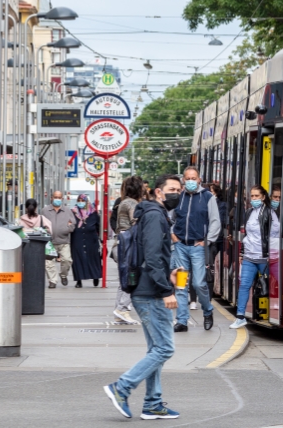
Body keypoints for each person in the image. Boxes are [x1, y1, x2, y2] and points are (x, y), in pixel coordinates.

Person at [104, 174, 182, 420]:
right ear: (158, 192)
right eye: (172, 189)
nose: (176, 194)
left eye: (178, 189)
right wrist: (166, 291)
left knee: (155, 349)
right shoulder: (155, 216)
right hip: (150, 293)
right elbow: (151, 255)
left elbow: (152, 254)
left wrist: (167, 275)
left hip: (147, 288)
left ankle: (152, 403)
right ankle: (122, 387)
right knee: (164, 348)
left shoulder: (150, 214)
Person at [171, 167, 219, 332]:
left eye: (194, 178)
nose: (191, 181)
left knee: (199, 284)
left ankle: (208, 311)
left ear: (199, 180)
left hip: (197, 247)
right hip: (181, 247)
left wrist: (208, 241)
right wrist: (173, 236)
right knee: (181, 284)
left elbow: (215, 221)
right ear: (183, 180)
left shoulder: (207, 197)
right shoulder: (179, 197)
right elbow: (170, 217)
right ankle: (182, 321)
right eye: (188, 178)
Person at [230, 185, 280, 329]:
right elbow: (247, 235)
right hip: (249, 256)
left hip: (265, 258)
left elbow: (274, 235)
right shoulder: (249, 212)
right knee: (244, 285)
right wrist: (242, 253)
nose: (254, 199)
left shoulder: (270, 213)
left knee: (277, 284)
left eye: (257, 196)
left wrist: (271, 253)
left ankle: (280, 313)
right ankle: (240, 317)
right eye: (252, 196)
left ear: (263, 197)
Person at [114, 177, 144, 325]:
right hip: (128, 245)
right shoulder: (132, 203)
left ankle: (119, 313)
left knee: (124, 278)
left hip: (121, 243)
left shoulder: (123, 202)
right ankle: (122, 308)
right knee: (131, 277)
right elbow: (136, 221)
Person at [41, 190, 76, 288]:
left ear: (62, 199)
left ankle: (63, 275)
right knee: (48, 262)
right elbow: (41, 224)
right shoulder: (45, 210)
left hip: (64, 240)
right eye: (55, 197)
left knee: (67, 260)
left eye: (59, 197)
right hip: (50, 242)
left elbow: (73, 224)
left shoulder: (67, 211)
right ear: (51, 198)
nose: (57, 199)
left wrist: (67, 229)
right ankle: (53, 281)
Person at [71, 194, 101, 288]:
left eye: (82, 200)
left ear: (86, 201)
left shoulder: (93, 213)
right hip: (77, 239)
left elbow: (99, 226)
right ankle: (79, 280)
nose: (80, 202)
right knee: (77, 259)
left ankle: (95, 276)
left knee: (93, 258)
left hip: (91, 240)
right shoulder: (73, 212)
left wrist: (102, 240)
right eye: (79, 200)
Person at [206, 184, 228, 297]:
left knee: (214, 263)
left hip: (218, 238)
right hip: (213, 239)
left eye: (211, 191)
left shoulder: (222, 205)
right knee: (211, 265)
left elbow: (221, 220)